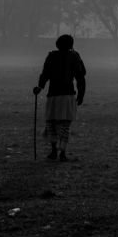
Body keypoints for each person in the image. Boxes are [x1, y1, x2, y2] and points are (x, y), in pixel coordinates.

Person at [33, 34, 86, 162]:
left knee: (51, 123)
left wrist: (40, 87)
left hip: (53, 95)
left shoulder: (52, 56)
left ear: (57, 44)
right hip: (68, 95)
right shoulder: (74, 56)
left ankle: (53, 151)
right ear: (71, 45)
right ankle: (62, 153)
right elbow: (81, 76)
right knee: (64, 125)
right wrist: (81, 93)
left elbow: (45, 74)